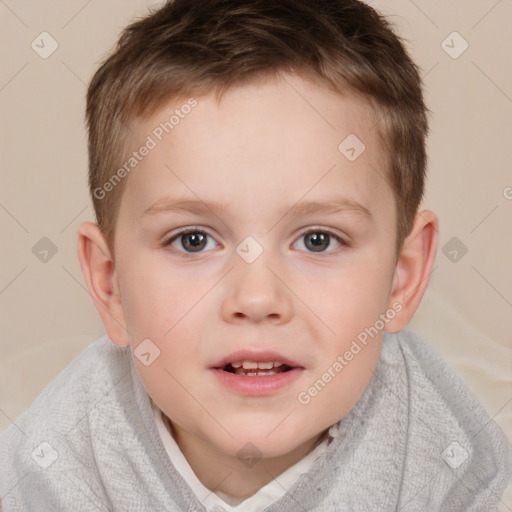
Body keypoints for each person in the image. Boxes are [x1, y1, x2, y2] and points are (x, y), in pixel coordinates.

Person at [1, 0, 510, 510]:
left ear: (402, 279)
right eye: (193, 240)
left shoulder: (454, 465)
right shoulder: (53, 466)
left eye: (318, 240)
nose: (258, 297)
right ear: (110, 285)